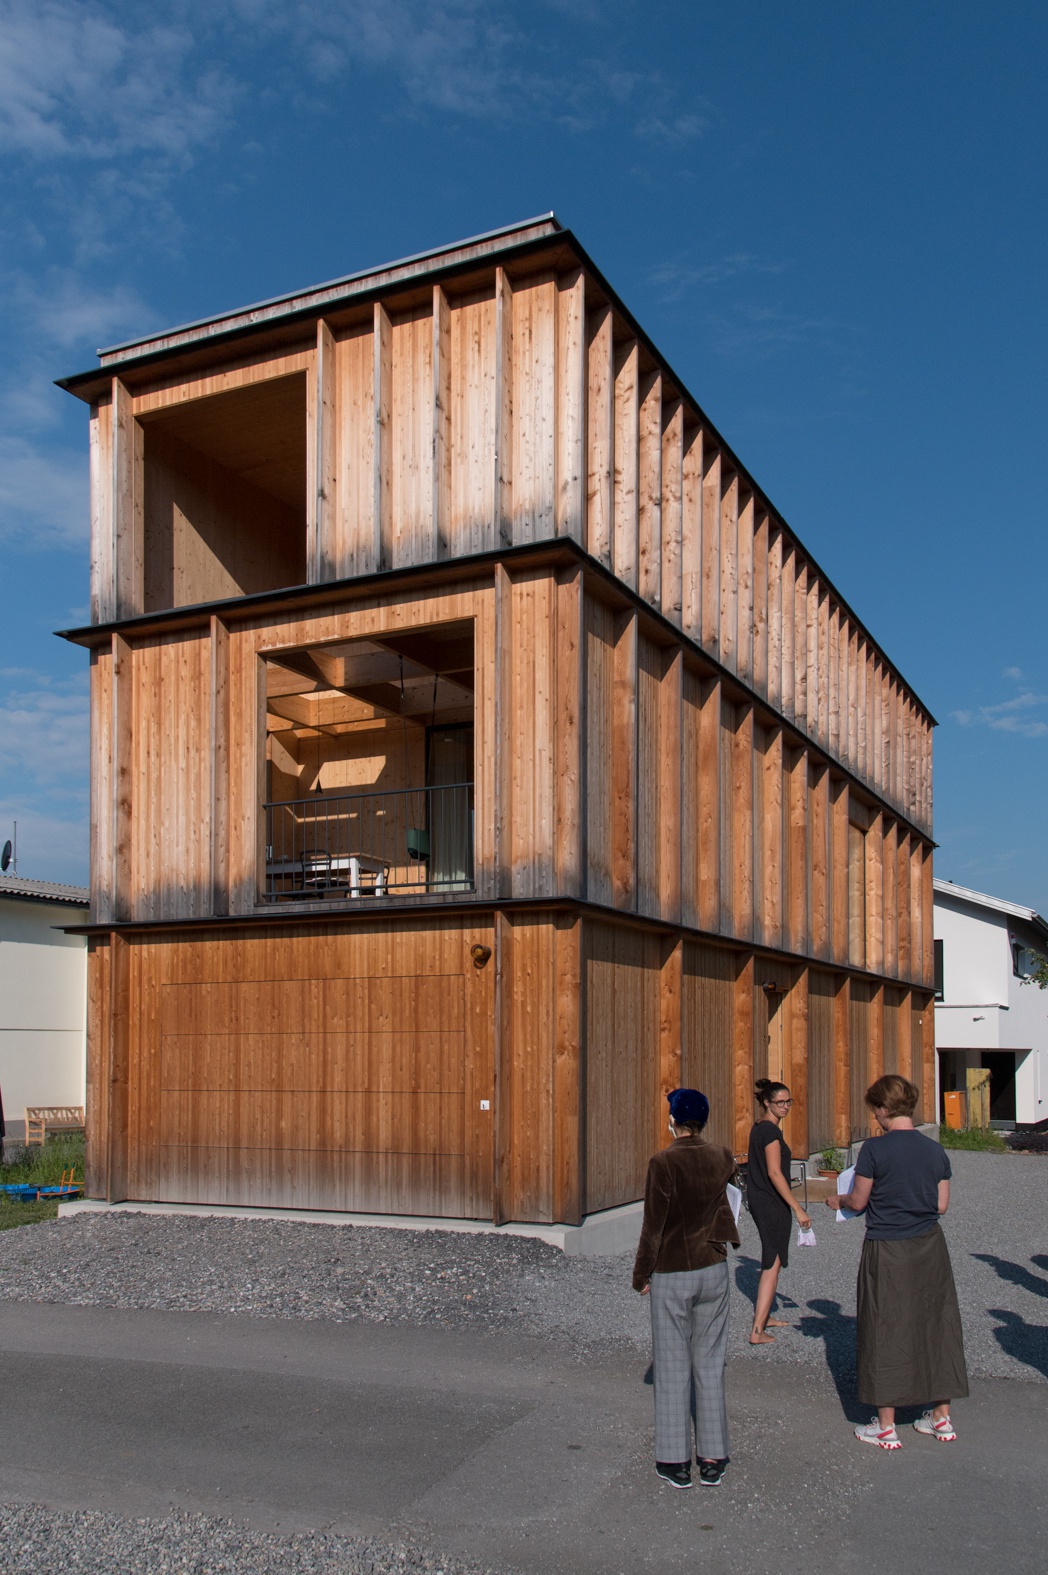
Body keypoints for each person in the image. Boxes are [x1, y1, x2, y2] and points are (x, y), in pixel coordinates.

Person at [827, 1073, 968, 1449]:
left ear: (883, 1108)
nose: (874, 1117)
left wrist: (838, 1200)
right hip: (929, 1245)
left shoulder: (874, 1149)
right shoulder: (935, 1150)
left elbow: (858, 1201)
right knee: (936, 1322)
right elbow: (941, 1205)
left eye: (875, 1110)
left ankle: (886, 1425)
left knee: (884, 1324)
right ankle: (941, 1417)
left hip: (887, 1245)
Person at [633, 1087, 740, 1490]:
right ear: (703, 1120)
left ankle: (675, 1460)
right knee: (710, 1364)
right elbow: (732, 1202)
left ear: (673, 1121)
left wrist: (641, 1274)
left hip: (673, 1269)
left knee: (673, 1366)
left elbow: (653, 1225)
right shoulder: (722, 1156)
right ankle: (713, 1456)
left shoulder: (663, 1162)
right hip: (713, 1265)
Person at [746, 1079, 811, 1344]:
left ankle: (765, 1317)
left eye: (788, 1102)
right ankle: (757, 1331)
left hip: (761, 1200)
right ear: (767, 1103)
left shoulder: (759, 1127)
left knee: (772, 1259)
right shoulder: (770, 1133)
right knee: (772, 1262)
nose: (785, 1106)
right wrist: (797, 1208)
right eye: (779, 1102)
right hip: (771, 1202)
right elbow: (774, 1172)